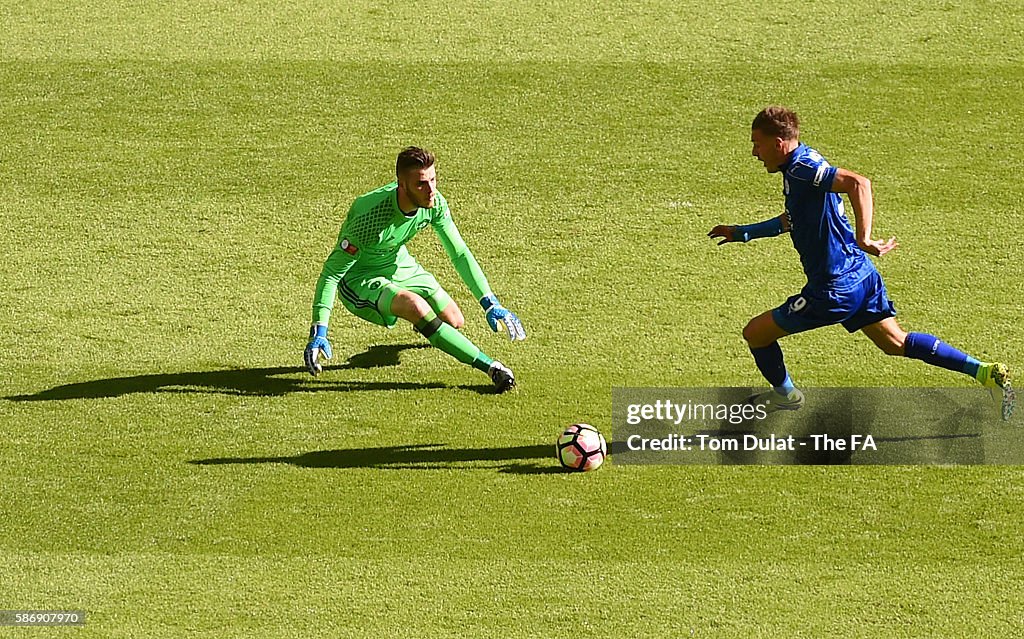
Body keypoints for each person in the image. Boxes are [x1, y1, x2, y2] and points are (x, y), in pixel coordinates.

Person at [708, 106, 1015, 420]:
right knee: (896, 342)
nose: (754, 152)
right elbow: (794, 219)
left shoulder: (801, 169)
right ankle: (985, 372)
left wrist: (864, 237)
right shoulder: (803, 164)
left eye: (757, 144)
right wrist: (744, 233)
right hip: (862, 277)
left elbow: (859, 183)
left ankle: (787, 396)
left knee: (756, 333)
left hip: (833, 289)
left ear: (778, 144)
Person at [304, 146, 526, 392]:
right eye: (421, 184)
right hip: (360, 277)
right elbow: (332, 274)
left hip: (398, 262)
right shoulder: (369, 219)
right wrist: (319, 330)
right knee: (416, 306)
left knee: (454, 320)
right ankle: (492, 368)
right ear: (402, 184)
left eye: (433, 179)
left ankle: (423, 323)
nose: (431, 190)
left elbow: (459, 252)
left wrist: (490, 302)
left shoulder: (434, 202)